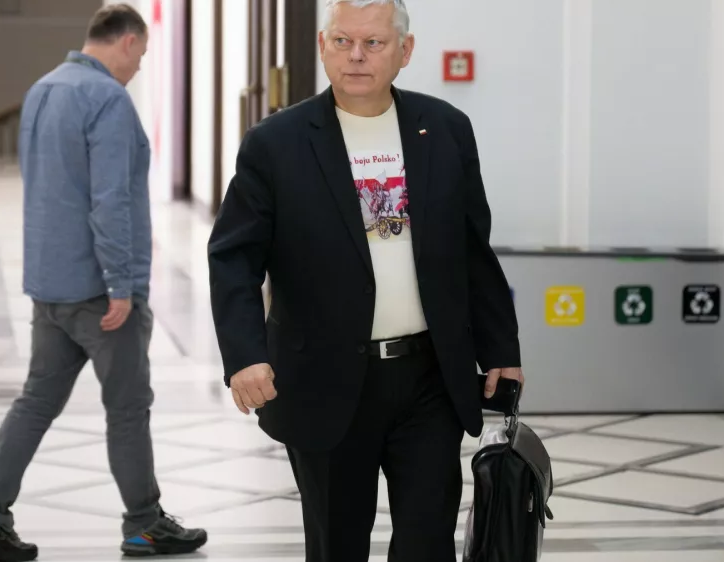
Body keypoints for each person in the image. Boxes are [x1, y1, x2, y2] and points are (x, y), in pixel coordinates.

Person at [207, 0, 522, 560]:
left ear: (405, 51)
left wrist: (500, 347)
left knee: (427, 542)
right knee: (336, 545)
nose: (356, 55)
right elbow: (233, 257)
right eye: (341, 41)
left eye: (373, 43)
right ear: (323, 45)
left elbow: (473, 248)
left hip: (429, 377)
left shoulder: (445, 129)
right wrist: (243, 354)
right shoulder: (275, 143)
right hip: (322, 378)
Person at [0, 5, 207, 561]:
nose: (140, 66)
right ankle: (144, 524)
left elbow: (47, 187)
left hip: (51, 285)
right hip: (99, 292)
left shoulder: (44, 89)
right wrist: (121, 284)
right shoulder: (108, 100)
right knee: (127, 407)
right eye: (140, 54)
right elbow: (110, 199)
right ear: (124, 41)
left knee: (36, 400)